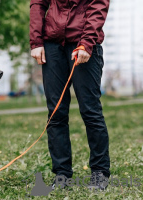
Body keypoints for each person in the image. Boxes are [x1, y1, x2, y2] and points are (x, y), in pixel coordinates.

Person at [29, 0, 110, 190]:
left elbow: (98, 6)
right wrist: (36, 41)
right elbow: (37, 4)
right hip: (52, 46)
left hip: (83, 45)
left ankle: (100, 173)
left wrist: (87, 42)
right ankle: (62, 174)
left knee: (90, 111)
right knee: (56, 112)